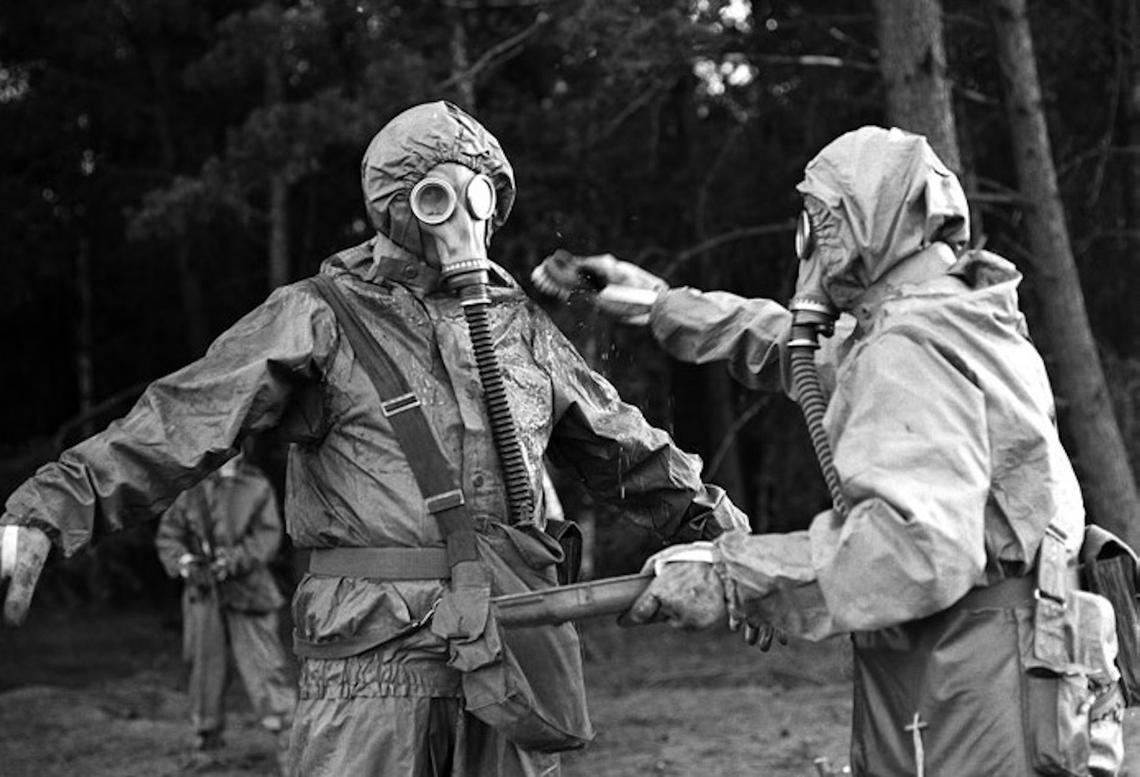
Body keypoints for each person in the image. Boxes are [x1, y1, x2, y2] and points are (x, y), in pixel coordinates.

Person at [0, 100, 747, 776]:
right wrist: (45, 511)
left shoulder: (520, 327)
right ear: (397, 206)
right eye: (437, 195)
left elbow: (628, 448)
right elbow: (179, 421)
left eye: (480, 193)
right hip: (371, 668)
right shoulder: (318, 315)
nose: (464, 218)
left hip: (506, 649)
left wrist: (729, 542)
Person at [543, 126, 1127, 776]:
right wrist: (657, 303)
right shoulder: (949, 317)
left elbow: (914, 551)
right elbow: (794, 345)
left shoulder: (908, 348)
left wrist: (733, 571)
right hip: (996, 665)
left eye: (819, 221)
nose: (809, 244)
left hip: (978, 679)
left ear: (861, 223)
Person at [156, 443, 296, 751]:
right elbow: (169, 536)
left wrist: (233, 560)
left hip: (248, 590)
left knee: (265, 666)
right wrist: (185, 563)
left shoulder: (255, 486)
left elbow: (267, 539)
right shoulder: (189, 487)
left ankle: (290, 746)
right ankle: (207, 742)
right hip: (203, 592)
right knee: (204, 666)